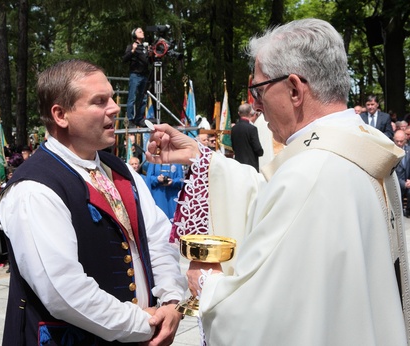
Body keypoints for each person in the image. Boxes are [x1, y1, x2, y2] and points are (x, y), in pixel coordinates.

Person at [145, 18, 410, 345]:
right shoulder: (364, 146)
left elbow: (258, 317)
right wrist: (203, 158)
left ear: (295, 89)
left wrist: (208, 285)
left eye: (257, 89)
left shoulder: (310, 174)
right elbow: (274, 203)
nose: (254, 104)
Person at [0, 59, 185, 345]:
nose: (114, 107)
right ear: (61, 115)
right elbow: (63, 290)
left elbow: (158, 239)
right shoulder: (34, 189)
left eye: (111, 97)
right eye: (99, 101)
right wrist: (144, 323)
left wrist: (172, 301)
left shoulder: (121, 171)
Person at [122, 27, 151, 127]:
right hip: (135, 75)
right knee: (132, 98)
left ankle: (139, 119)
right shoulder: (131, 46)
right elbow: (124, 59)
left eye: (143, 31)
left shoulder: (145, 47)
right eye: (140, 31)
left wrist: (149, 53)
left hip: (144, 76)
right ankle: (130, 120)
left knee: (143, 98)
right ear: (134, 34)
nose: (142, 32)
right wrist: (133, 50)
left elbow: (149, 62)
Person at [230, 103, 263, 171]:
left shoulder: (234, 128)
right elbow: (257, 148)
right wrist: (261, 152)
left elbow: (233, 147)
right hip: (251, 165)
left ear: (239, 113)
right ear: (250, 113)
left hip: (238, 163)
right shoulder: (252, 128)